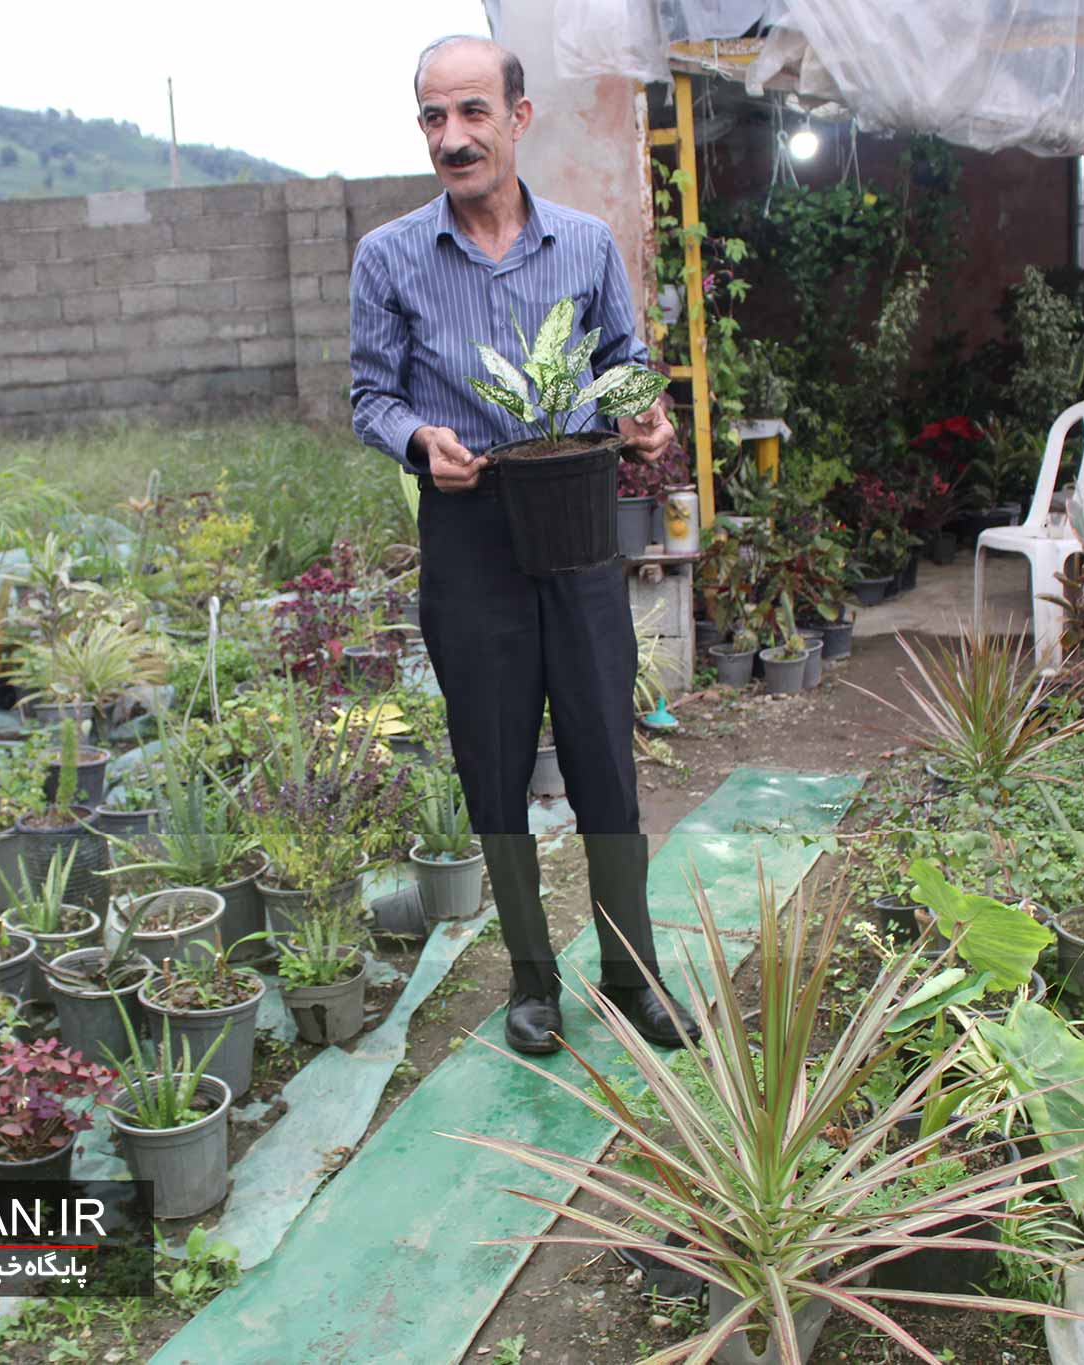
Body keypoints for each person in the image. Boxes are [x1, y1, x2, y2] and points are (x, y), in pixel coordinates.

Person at [348, 34, 699, 1056]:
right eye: (433, 117)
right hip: (469, 535)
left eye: (471, 113)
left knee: (604, 761)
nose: (452, 138)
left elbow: (625, 360)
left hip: (576, 526)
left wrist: (644, 415)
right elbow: (369, 394)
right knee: (493, 767)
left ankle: (631, 975)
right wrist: (420, 440)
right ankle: (531, 978)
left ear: (517, 117)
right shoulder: (389, 257)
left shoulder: (583, 244)